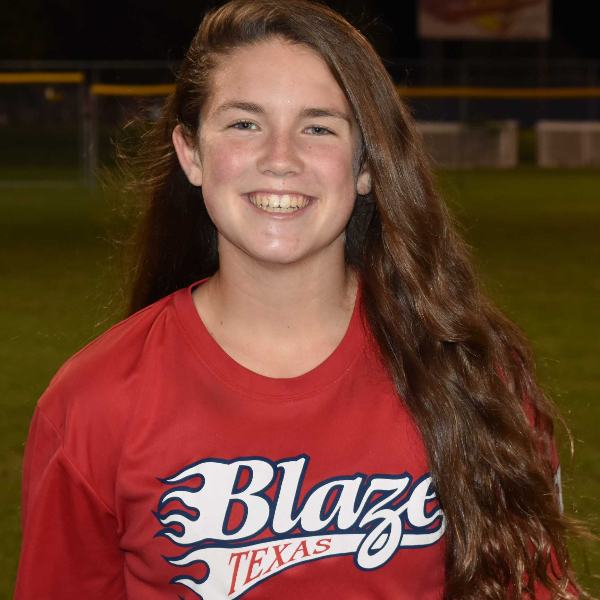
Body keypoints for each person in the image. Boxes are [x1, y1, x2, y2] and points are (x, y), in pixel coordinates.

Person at [14, 1, 585, 599]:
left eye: (318, 127)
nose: (280, 158)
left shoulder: (472, 378)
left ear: (366, 165)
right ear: (191, 153)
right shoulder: (92, 405)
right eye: (244, 124)